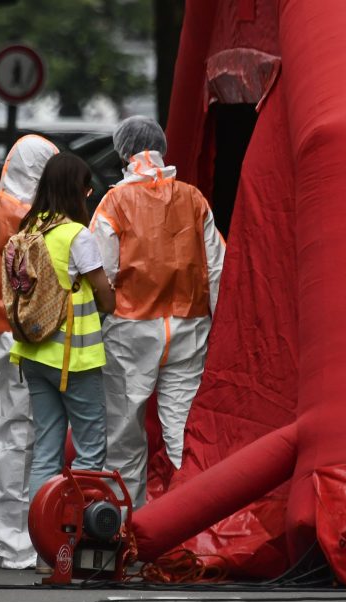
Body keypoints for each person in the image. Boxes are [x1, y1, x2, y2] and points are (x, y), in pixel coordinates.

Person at [90, 115, 226, 507]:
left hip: (130, 331)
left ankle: (122, 524)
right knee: (183, 430)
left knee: (123, 433)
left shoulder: (114, 201)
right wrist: (219, 326)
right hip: (189, 327)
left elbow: (103, 269)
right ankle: (187, 519)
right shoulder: (194, 198)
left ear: (123, 153)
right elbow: (217, 268)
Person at [9, 152, 115, 545]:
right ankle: (77, 537)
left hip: (34, 355)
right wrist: (112, 302)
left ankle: (43, 540)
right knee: (89, 451)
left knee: (47, 453)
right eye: (87, 188)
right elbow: (102, 292)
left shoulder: (27, 229)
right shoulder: (76, 235)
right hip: (76, 359)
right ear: (77, 191)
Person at [0, 135, 59, 570]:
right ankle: (13, 537)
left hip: (7, 334)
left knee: (15, 436)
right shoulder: (17, 215)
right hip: (17, 336)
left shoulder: (6, 208)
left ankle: (15, 530)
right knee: (15, 437)